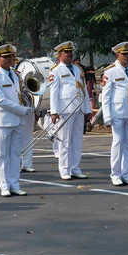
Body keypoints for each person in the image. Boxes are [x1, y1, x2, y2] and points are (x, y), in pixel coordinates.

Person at [0, 44, 33, 196]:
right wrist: (23, 110)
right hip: (3, 121)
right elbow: (1, 101)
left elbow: (21, 95)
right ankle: (4, 186)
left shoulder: (16, 75)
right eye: (5, 57)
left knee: (15, 154)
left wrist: (29, 103)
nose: (9, 60)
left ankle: (14, 184)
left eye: (10, 57)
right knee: (2, 155)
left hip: (18, 121)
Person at [49, 41, 92, 180]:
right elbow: (54, 93)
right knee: (65, 141)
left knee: (77, 140)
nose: (69, 55)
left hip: (78, 109)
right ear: (60, 55)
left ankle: (75, 168)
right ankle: (64, 169)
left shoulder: (78, 69)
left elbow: (84, 89)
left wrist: (87, 109)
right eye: (66, 53)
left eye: (71, 52)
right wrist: (54, 111)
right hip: (65, 110)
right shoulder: (56, 71)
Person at [101, 41, 128, 186]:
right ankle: (115, 174)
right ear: (117, 55)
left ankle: (126, 173)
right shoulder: (110, 71)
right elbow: (106, 95)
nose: (127, 57)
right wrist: (107, 115)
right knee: (118, 143)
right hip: (117, 111)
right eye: (124, 54)